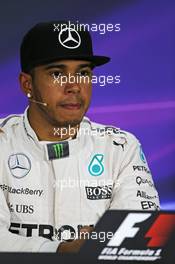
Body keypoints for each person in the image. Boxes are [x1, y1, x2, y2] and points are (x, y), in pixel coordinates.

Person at [0, 21, 160, 253]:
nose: (74, 86)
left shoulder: (121, 148)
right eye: (57, 73)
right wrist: (61, 250)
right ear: (28, 84)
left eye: (83, 73)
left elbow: (136, 239)